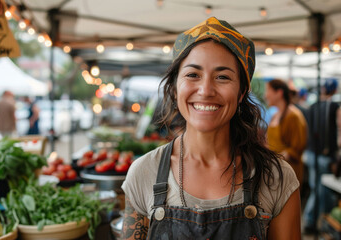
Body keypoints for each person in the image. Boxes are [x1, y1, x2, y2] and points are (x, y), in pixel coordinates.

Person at [121, 17, 301, 240]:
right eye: (193, 75)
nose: (206, 90)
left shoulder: (276, 178)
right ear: (175, 88)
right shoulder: (144, 173)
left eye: (222, 77)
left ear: (242, 92)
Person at [303, 78, 341, 234]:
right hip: (324, 156)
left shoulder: (312, 107)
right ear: (334, 90)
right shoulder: (333, 107)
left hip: (311, 153)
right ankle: (311, 221)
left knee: (316, 189)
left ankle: (311, 221)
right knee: (320, 191)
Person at [264, 79, 308, 187]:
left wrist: (277, 159)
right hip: (273, 172)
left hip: (288, 173)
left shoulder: (294, 116)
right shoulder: (275, 115)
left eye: (268, 90)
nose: (266, 95)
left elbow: (297, 147)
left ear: (279, 93)